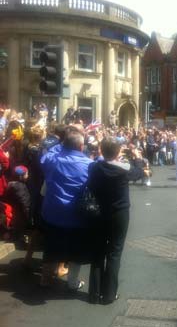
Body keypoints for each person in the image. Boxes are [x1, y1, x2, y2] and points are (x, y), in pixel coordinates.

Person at [40, 127, 93, 289]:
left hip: (53, 212)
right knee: (76, 250)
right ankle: (72, 282)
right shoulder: (90, 165)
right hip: (77, 215)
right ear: (81, 147)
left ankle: (45, 279)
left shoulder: (52, 160)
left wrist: (61, 144)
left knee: (51, 247)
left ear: (64, 145)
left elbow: (46, 154)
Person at [88, 137, 137, 304]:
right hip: (119, 213)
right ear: (117, 152)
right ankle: (109, 295)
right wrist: (136, 156)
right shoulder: (124, 170)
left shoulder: (94, 167)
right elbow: (139, 171)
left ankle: (94, 293)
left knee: (98, 252)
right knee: (114, 253)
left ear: (101, 150)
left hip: (98, 212)